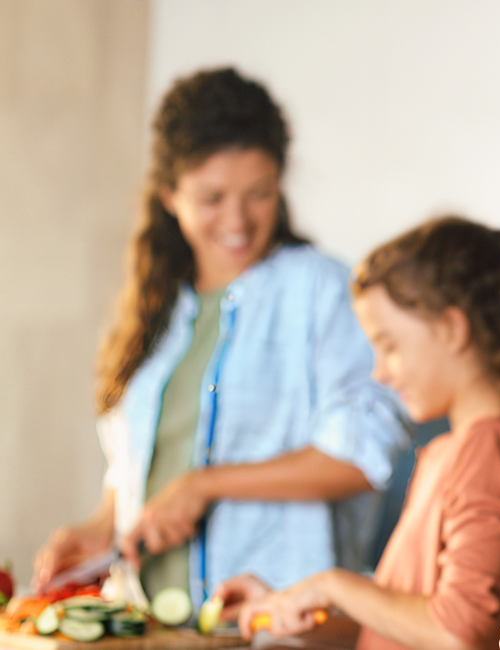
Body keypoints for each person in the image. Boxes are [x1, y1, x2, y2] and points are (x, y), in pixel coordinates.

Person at [32, 68, 408, 606]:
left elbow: (362, 456)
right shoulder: (155, 305)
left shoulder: (324, 291)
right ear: (169, 194)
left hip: (276, 625)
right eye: (212, 198)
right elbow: (140, 464)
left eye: (259, 193)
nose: (237, 219)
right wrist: (101, 526)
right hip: (150, 624)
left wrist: (205, 484)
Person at [216, 217, 500, 650]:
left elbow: (455, 632)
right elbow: (400, 629)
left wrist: (332, 585)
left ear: (451, 328)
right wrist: (285, 608)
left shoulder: (490, 449)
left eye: (389, 346)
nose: (379, 372)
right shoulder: (449, 452)